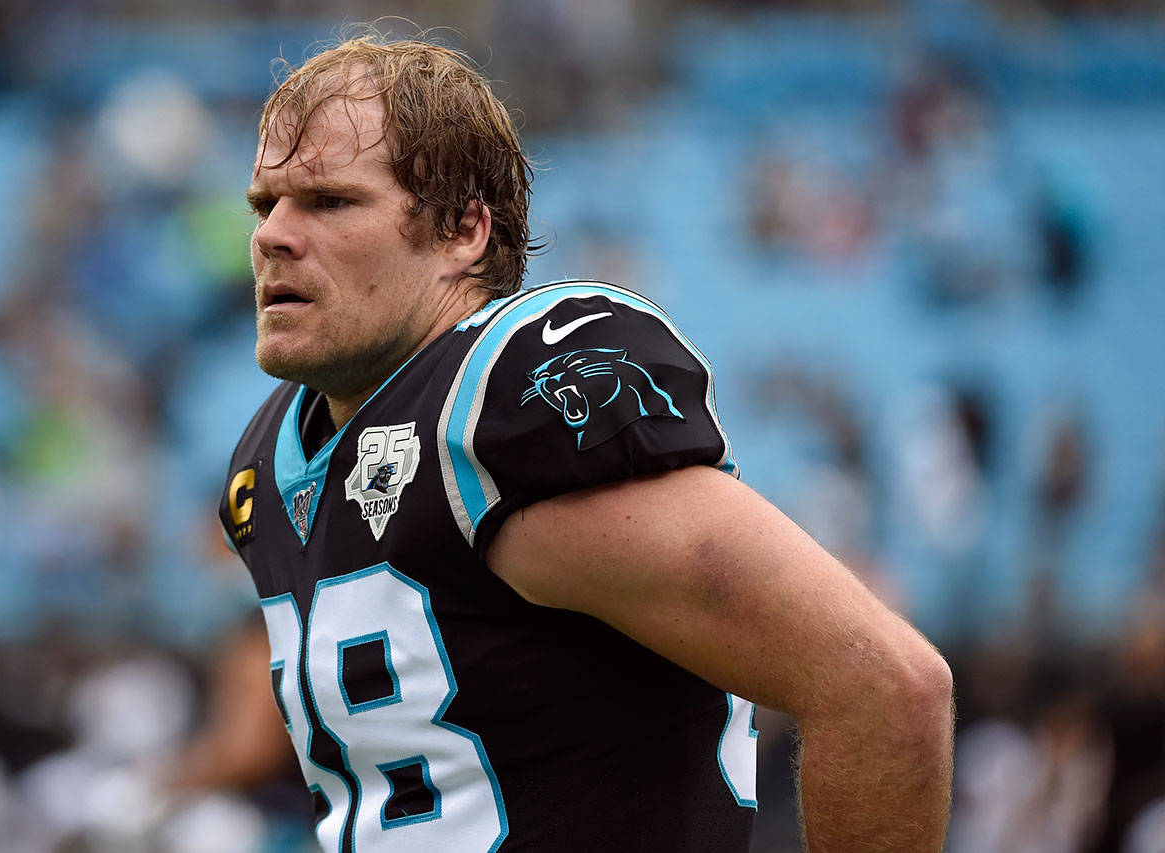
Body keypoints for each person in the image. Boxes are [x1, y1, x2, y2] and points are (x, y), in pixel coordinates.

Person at [218, 31, 954, 852]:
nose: (272, 235)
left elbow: (885, 686)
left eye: (328, 201)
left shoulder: (504, 406)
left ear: (464, 231)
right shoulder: (270, 459)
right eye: (264, 203)